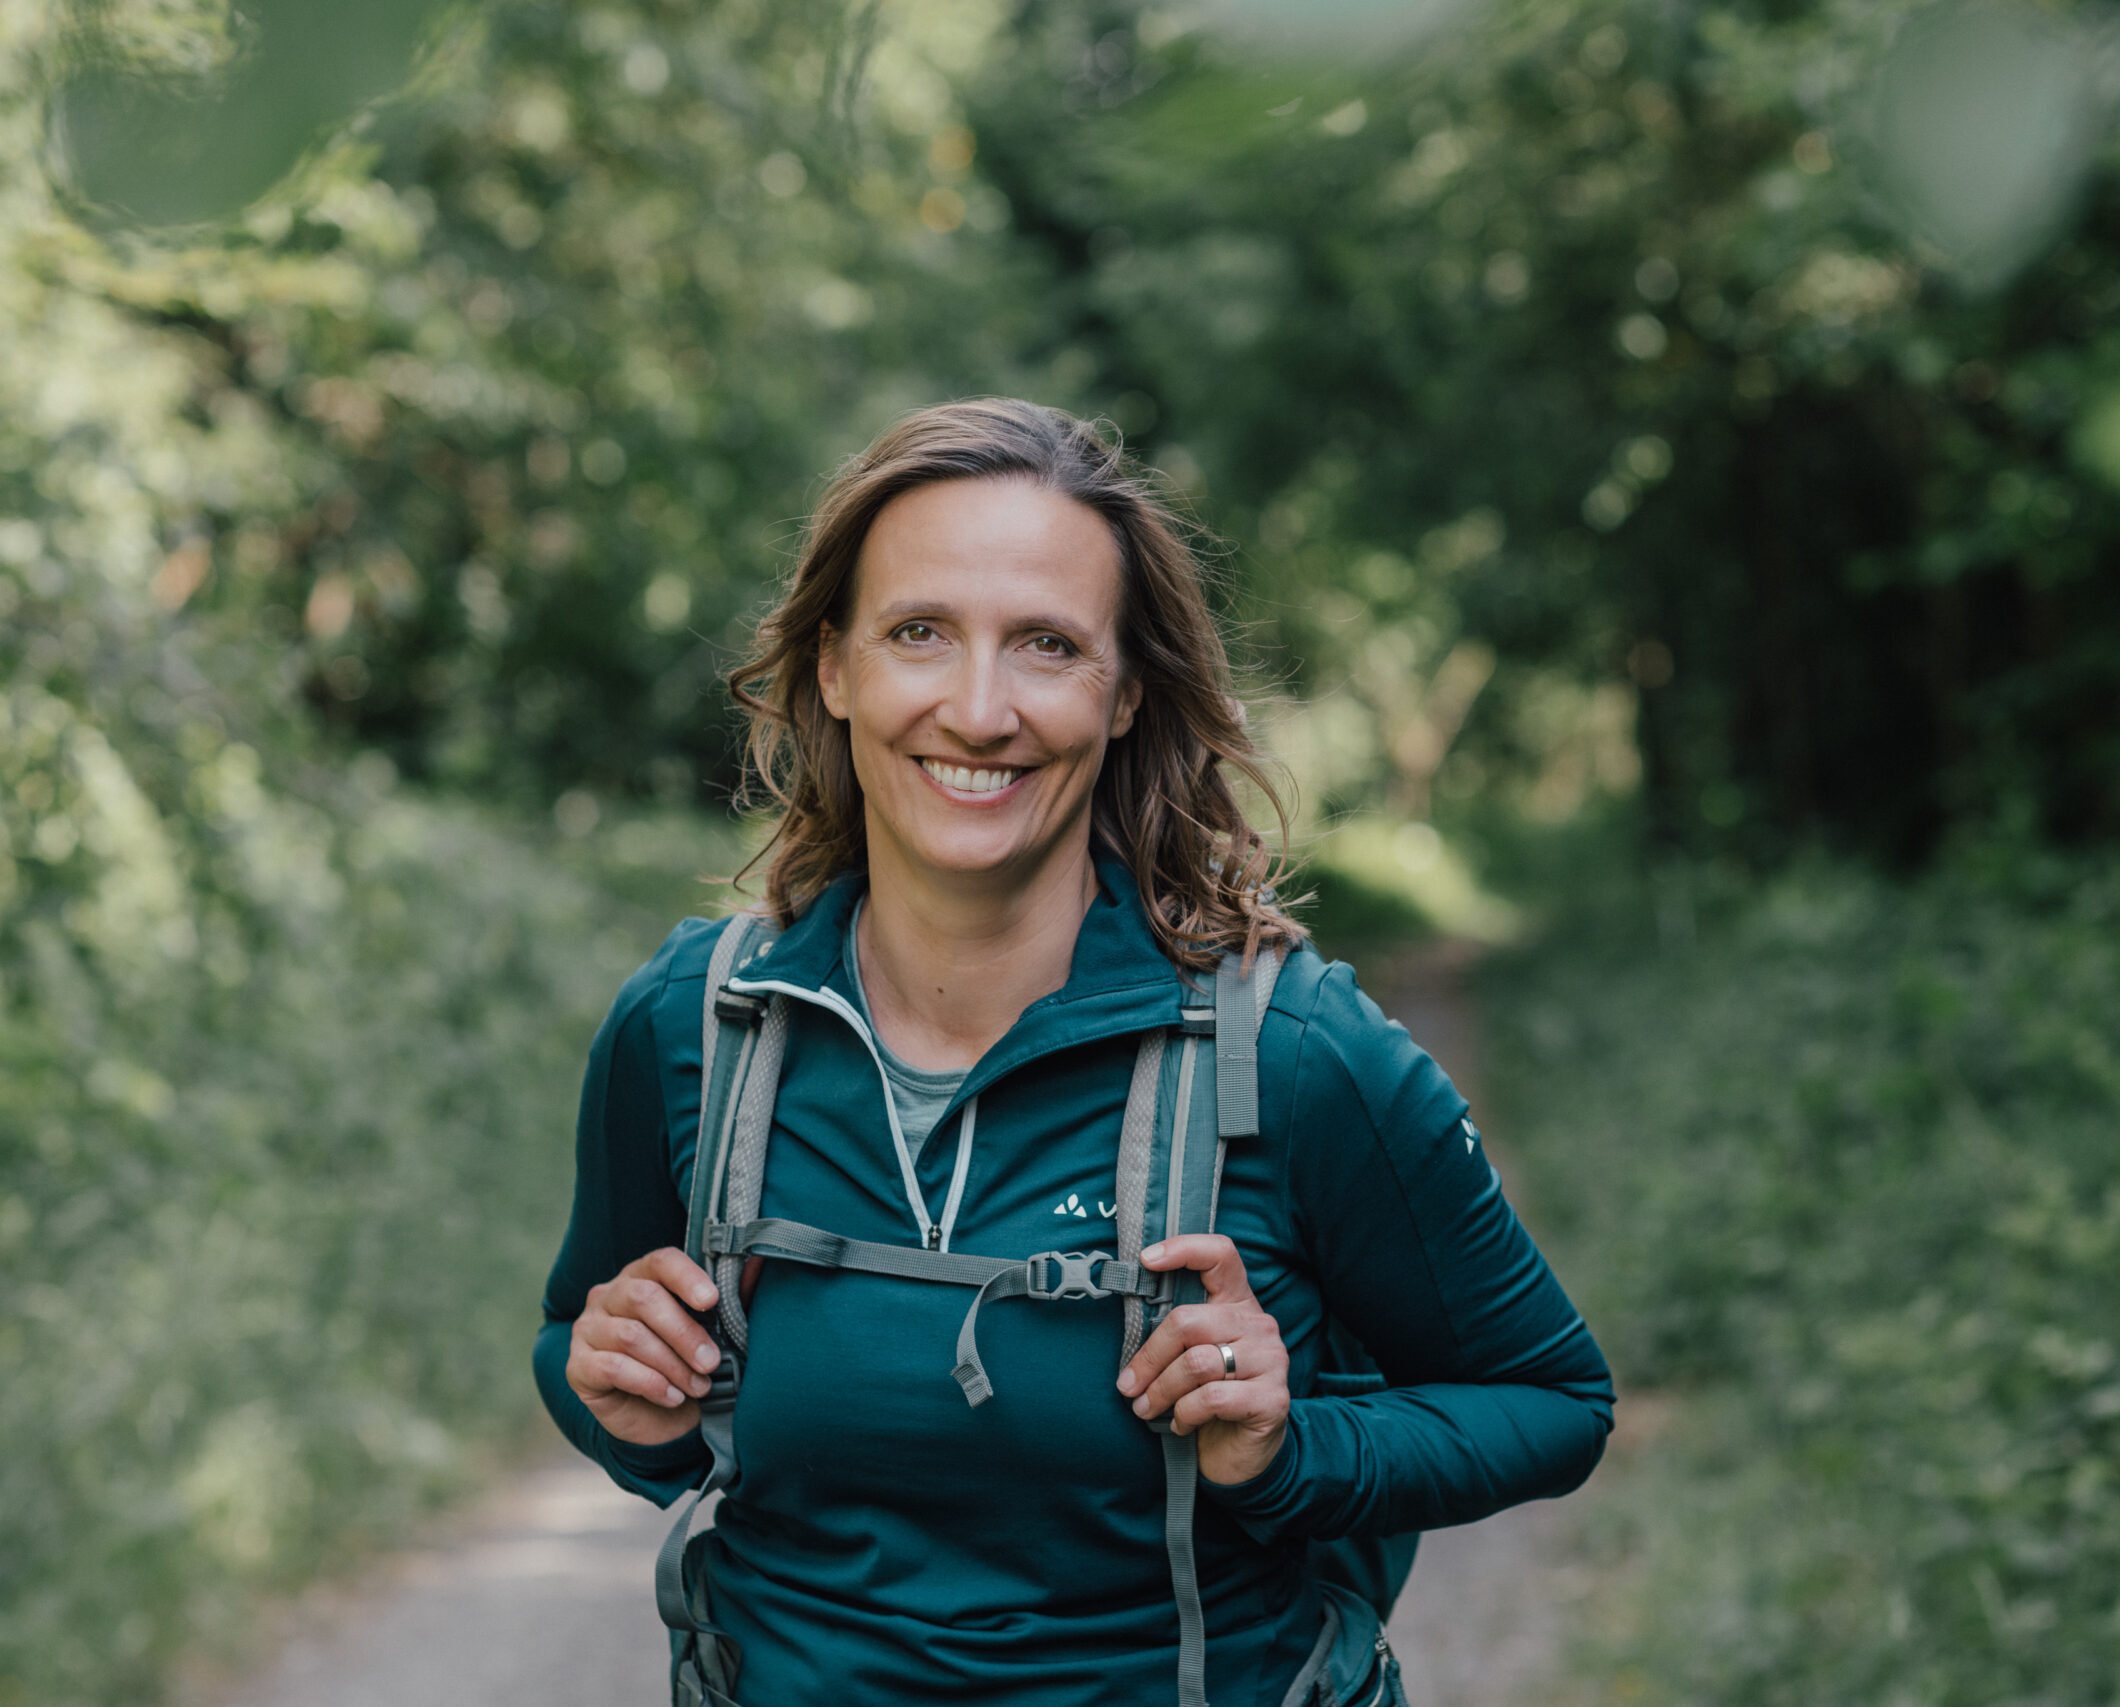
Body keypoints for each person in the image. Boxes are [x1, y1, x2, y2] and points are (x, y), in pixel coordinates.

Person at [533, 399, 1613, 1706]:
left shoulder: (1293, 1055)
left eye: (1047, 646)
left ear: (1124, 693)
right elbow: (581, 1347)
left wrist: (1292, 1449)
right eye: (919, 633)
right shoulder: (698, 1022)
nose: (978, 710)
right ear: (833, 667)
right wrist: (615, 1393)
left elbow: (1553, 1400)